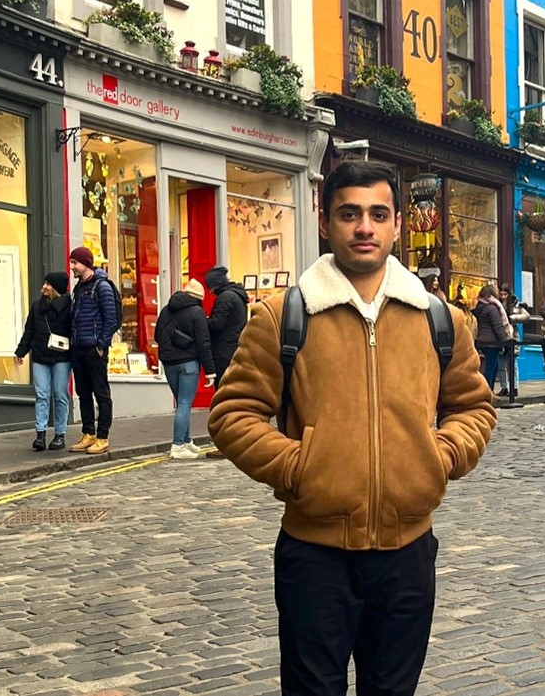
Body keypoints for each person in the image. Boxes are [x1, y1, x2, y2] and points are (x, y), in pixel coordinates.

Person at [208, 160, 495, 696]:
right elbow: (233, 414)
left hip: (407, 553)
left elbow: (474, 407)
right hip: (314, 556)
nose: (364, 226)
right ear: (326, 221)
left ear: (397, 224)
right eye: (350, 213)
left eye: (377, 214)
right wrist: (300, 466)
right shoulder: (282, 316)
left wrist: (441, 455)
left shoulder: (439, 319)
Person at [156, 278, 215, 461]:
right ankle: (178, 445)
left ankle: (187, 441)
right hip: (189, 364)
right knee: (184, 404)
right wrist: (210, 370)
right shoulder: (197, 312)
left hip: (168, 364)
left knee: (181, 403)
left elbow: (158, 335)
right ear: (198, 298)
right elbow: (203, 343)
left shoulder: (166, 310)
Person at [14, 271, 73, 451]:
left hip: (62, 356)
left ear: (56, 288)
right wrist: (21, 351)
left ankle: (59, 434)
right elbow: (29, 330)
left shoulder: (69, 307)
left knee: (60, 394)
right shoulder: (37, 306)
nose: (44, 287)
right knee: (41, 394)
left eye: (48, 284)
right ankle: (40, 434)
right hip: (40, 355)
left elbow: (74, 332)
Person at [68, 246, 118, 455]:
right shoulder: (79, 288)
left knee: (101, 393)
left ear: (85, 264)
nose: (71, 267)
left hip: (94, 349)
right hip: (78, 348)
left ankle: (103, 437)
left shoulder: (102, 287)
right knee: (83, 393)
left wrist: (101, 345)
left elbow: (111, 319)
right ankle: (88, 433)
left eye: (75, 263)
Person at [205, 265, 249, 388]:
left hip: (223, 351)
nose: (211, 292)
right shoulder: (237, 296)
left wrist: (202, 321)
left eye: (211, 288)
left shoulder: (225, 297)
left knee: (223, 388)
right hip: (235, 347)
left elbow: (217, 324)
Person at [472, 284, 511, 393]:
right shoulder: (492, 308)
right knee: (490, 368)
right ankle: (486, 391)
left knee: (494, 366)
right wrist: (505, 341)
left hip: (482, 340)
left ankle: (490, 391)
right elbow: (497, 326)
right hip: (492, 342)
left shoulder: (480, 307)